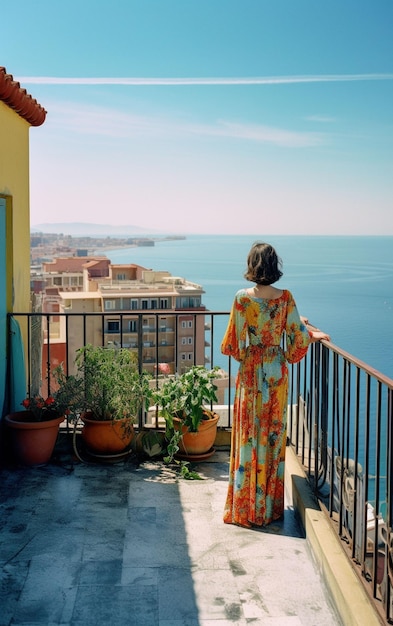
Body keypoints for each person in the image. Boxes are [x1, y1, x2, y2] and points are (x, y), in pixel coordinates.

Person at [221, 242, 330, 528]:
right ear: (274, 265)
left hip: (250, 370)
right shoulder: (285, 299)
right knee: (272, 435)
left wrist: (250, 350)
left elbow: (232, 343)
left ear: (251, 264)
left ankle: (244, 507)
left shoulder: (241, 298)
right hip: (275, 372)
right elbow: (297, 338)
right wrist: (310, 333)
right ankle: (267, 508)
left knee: (249, 433)